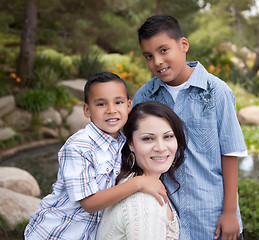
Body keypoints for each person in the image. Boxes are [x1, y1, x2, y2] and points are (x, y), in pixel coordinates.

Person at [133, 14, 248, 240]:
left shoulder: (217, 92)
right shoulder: (144, 97)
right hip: (165, 222)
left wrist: (229, 212)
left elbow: (230, 152)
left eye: (163, 50)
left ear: (183, 45)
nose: (157, 61)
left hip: (211, 218)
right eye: (149, 56)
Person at [24, 72, 168, 240]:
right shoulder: (79, 146)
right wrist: (138, 183)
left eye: (118, 102)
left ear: (129, 106)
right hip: (57, 232)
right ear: (87, 110)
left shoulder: (124, 143)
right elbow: (89, 204)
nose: (111, 110)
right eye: (101, 104)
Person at [96, 101, 186, 240]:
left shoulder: (137, 180)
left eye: (168, 136)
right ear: (131, 143)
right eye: (148, 139)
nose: (161, 147)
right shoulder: (144, 203)